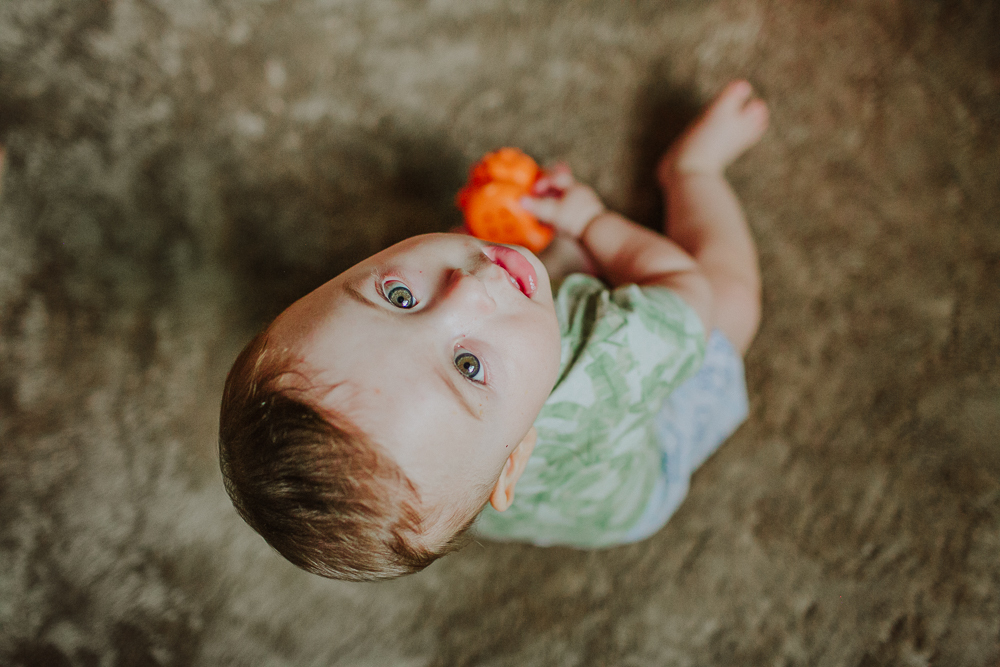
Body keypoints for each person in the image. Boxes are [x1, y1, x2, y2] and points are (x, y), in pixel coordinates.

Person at [218, 80, 769, 581]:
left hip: (522, 486)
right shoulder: (611, 358)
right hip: (648, 468)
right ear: (516, 460)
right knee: (732, 306)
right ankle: (692, 172)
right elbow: (679, 284)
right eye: (467, 367)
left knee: (520, 314)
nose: (466, 289)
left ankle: (535, 293)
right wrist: (588, 223)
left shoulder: (450, 478)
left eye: (399, 296)